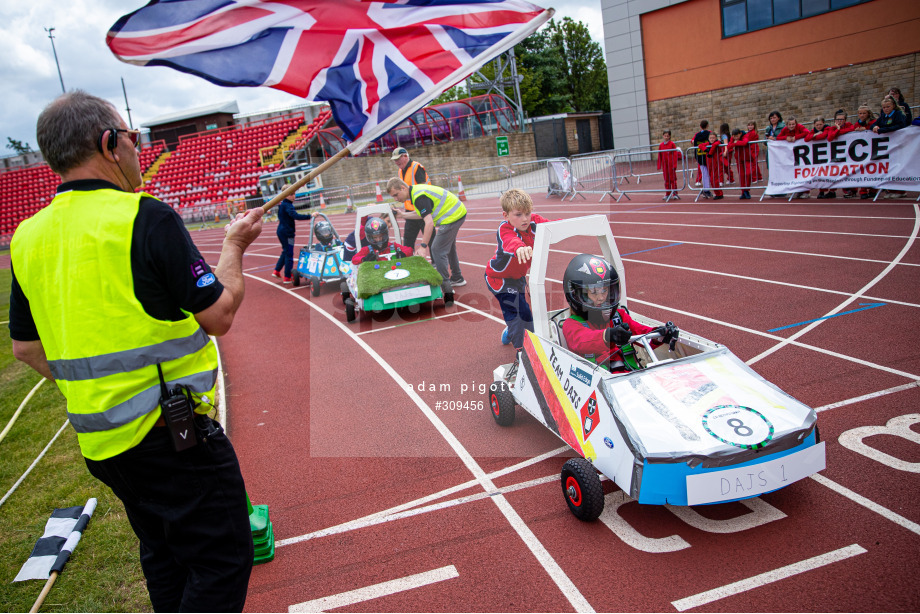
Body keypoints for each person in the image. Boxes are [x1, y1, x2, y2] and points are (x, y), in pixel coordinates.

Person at [9, 90, 261, 612]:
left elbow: (25, 348)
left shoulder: (27, 238)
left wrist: (93, 388)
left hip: (103, 444)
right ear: (108, 143)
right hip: (172, 435)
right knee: (222, 558)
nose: (138, 148)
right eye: (132, 137)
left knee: (165, 553)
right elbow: (219, 314)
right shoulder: (145, 218)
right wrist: (233, 249)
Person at [560, 254, 679, 373]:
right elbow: (582, 341)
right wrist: (607, 336)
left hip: (631, 377)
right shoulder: (571, 324)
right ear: (577, 294)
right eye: (594, 292)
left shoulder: (618, 316)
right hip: (600, 384)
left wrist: (662, 334)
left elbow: (643, 334)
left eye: (604, 290)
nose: (601, 297)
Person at [484, 189, 555, 352]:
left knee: (522, 310)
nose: (525, 219)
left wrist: (574, 225)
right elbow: (511, 241)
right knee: (520, 313)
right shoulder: (505, 229)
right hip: (498, 279)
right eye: (518, 214)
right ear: (506, 215)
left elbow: (553, 226)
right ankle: (522, 352)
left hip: (518, 277)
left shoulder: (534, 222)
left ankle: (510, 332)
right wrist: (520, 248)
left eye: (527, 213)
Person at [387, 177, 466, 306]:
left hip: (453, 216)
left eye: (396, 195)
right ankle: (457, 277)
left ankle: (446, 286)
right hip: (457, 212)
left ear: (403, 188)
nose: (396, 199)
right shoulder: (416, 192)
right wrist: (403, 215)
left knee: (436, 249)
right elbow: (422, 214)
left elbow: (428, 222)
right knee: (448, 247)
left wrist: (423, 246)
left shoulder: (418, 197)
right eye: (393, 197)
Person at [390, 147, 429, 249]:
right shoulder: (400, 171)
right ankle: (407, 262)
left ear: (405, 156)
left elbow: (423, 188)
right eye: (394, 160)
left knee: (431, 239)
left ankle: (435, 262)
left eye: (398, 159)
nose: (396, 162)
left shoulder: (417, 167)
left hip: (422, 208)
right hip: (409, 210)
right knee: (407, 240)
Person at [272, 193, 312, 283]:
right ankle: (287, 277)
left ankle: (277, 270)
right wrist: (310, 216)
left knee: (285, 251)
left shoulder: (283, 204)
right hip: (287, 233)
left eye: (294, 194)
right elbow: (295, 215)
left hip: (281, 231)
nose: (293, 196)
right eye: (290, 194)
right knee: (289, 254)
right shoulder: (288, 205)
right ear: (285, 195)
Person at [853, 106, 878, 200]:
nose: (862, 115)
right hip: (861, 151)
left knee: (872, 169)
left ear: (868, 113)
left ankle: (873, 190)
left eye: (864, 113)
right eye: (860, 113)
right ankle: (863, 191)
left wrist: (866, 130)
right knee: (863, 170)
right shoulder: (856, 124)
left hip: (872, 149)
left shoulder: (873, 122)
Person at [724, 127, 753, 199]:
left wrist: (736, 143)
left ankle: (746, 189)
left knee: (748, 173)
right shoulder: (733, 138)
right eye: (734, 136)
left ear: (740, 134)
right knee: (742, 175)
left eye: (737, 136)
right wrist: (735, 143)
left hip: (747, 157)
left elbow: (745, 142)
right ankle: (744, 191)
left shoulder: (745, 135)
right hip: (739, 158)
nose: (735, 138)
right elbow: (729, 146)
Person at [657, 129, 682, 200]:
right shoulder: (661, 145)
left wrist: (674, 165)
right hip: (665, 165)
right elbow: (660, 155)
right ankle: (667, 194)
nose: (666, 137)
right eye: (665, 136)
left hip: (671, 165)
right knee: (666, 180)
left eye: (667, 136)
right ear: (663, 136)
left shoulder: (672, 144)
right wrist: (659, 165)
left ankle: (675, 193)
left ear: (669, 136)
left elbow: (674, 155)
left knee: (673, 179)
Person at [700, 132, 724, 200]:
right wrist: (706, 149)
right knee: (712, 179)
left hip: (715, 163)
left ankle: (719, 193)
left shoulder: (717, 143)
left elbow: (716, 144)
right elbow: (700, 145)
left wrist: (710, 152)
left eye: (713, 138)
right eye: (710, 138)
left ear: (716, 138)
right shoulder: (708, 144)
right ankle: (718, 193)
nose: (712, 139)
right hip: (709, 164)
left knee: (714, 179)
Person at [691, 120, 711, 195]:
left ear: (700, 126)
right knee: (709, 173)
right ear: (707, 126)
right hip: (708, 155)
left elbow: (695, 145)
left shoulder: (697, 135)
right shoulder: (709, 134)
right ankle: (707, 189)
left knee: (704, 173)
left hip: (700, 156)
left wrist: (696, 157)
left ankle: (706, 188)